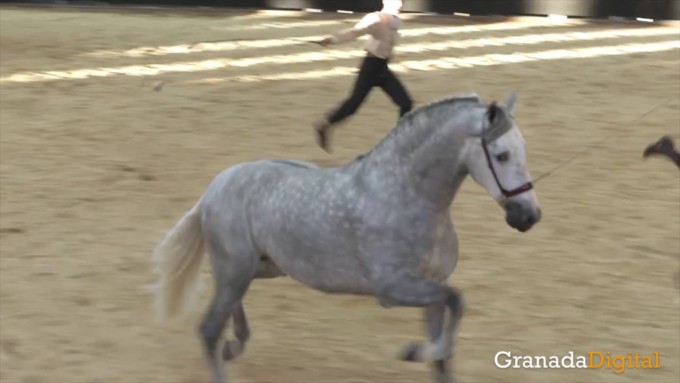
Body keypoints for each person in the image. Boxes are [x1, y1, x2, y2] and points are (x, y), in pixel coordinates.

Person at [312, 0, 413, 152]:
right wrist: (332, 40)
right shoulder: (375, 18)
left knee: (406, 103)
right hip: (370, 68)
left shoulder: (395, 21)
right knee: (353, 105)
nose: (400, 3)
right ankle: (325, 125)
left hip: (383, 68)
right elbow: (354, 32)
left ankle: (400, 140)